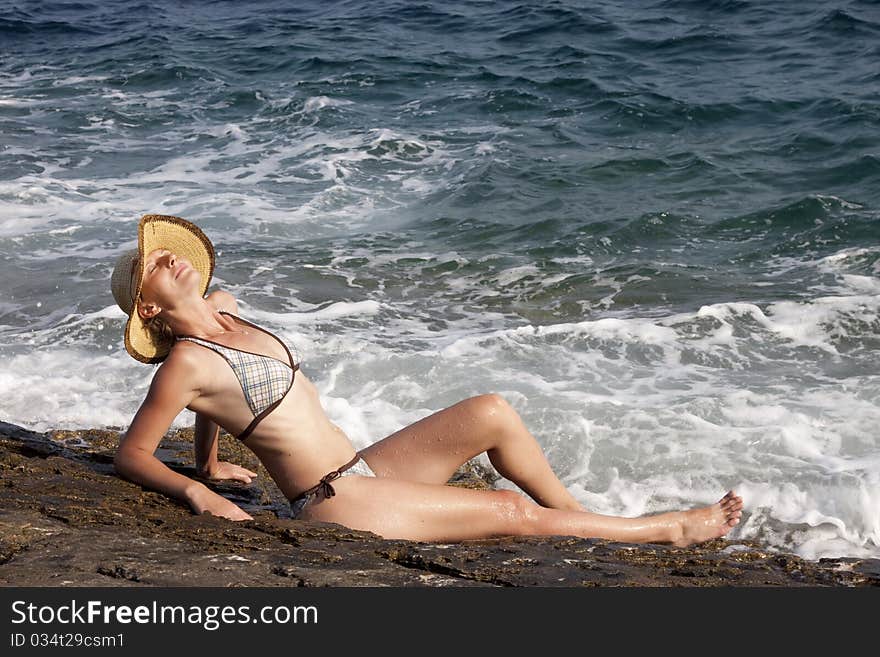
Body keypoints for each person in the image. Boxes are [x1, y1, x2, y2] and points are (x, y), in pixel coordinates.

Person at [111, 214, 743, 546]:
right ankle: (667, 528)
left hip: (362, 471)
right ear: (148, 307)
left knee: (491, 411)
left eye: (164, 251)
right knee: (506, 511)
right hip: (334, 503)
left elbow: (213, 404)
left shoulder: (223, 310)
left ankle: (587, 524)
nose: (166, 256)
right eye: (152, 266)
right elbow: (132, 454)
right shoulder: (182, 364)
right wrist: (199, 494)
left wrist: (212, 462)